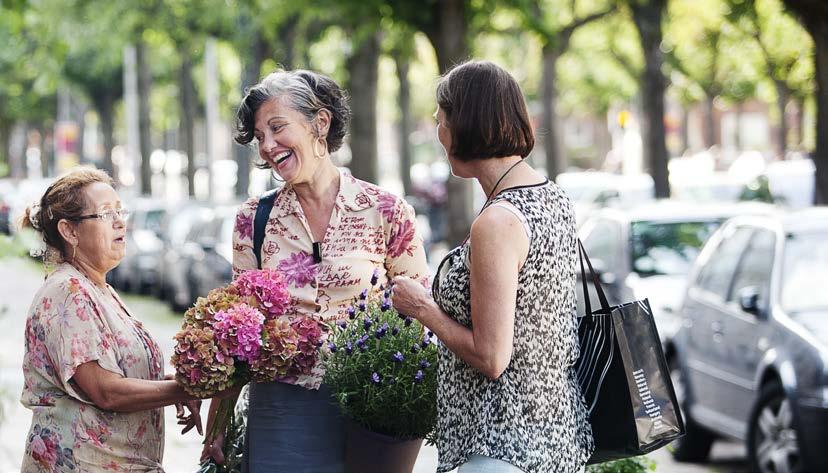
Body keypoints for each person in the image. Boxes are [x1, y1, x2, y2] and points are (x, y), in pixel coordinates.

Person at [201, 69, 429, 472]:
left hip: (369, 408)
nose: (268, 146)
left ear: (319, 123)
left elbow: (420, 320)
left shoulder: (387, 211)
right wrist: (218, 423)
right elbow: (239, 331)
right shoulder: (252, 220)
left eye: (277, 127)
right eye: (260, 137)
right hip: (282, 411)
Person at [391, 61, 595, 473]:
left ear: (466, 123)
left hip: (501, 446)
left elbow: (491, 356)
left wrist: (423, 309)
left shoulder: (498, 221)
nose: (438, 133)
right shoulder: (550, 197)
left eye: (441, 120)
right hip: (553, 438)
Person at [18, 168, 221, 472]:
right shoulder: (68, 290)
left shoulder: (99, 289)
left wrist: (173, 382)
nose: (119, 222)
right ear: (70, 231)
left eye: (119, 210)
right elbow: (105, 391)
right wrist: (190, 390)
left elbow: (119, 370)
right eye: (104, 213)